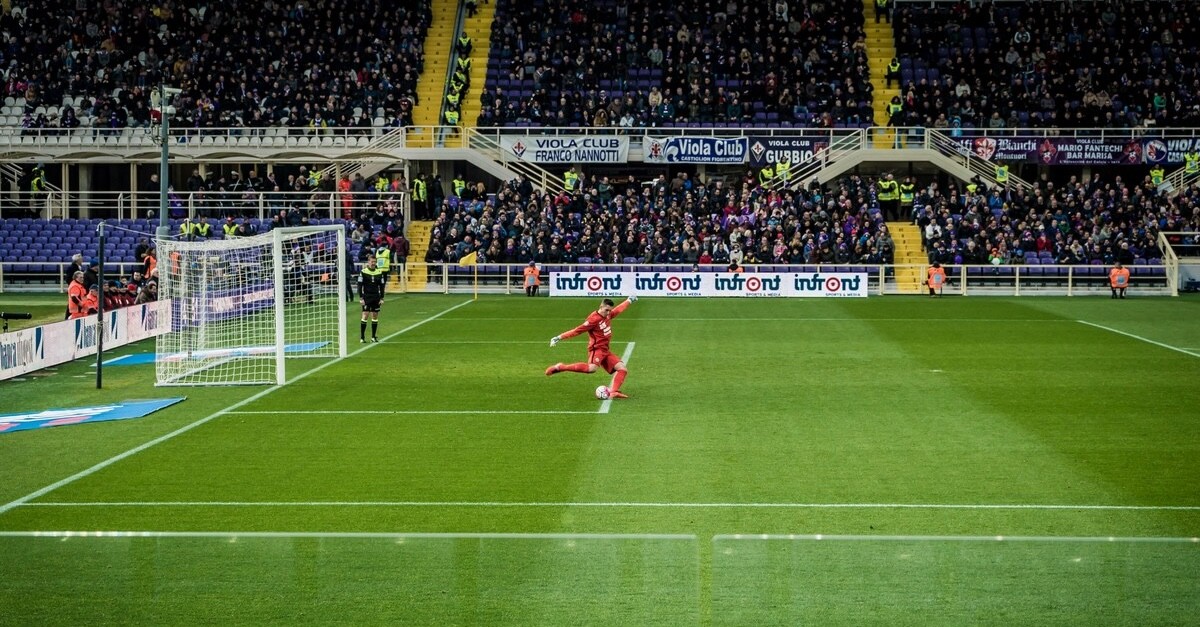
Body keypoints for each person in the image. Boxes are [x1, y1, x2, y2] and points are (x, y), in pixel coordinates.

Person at [546, 296, 638, 399]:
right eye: (606, 310)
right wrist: (559, 337)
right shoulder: (593, 319)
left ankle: (613, 392)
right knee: (592, 368)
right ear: (601, 307)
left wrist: (629, 300)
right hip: (597, 349)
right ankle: (561, 367)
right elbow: (577, 330)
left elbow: (617, 310)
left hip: (605, 350)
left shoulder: (607, 315)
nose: (608, 313)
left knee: (622, 369)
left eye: (609, 310)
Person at [358, 254, 386, 342]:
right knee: (365, 315)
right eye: (372, 261)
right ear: (368, 262)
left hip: (376, 297)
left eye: (374, 262)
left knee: (374, 316)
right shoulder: (363, 272)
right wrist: (361, 298)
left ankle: (373, 337)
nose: (373, 263)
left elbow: (382, 286)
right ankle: (362, 337)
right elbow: (359, 285)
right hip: (366, 297)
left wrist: (382, 298)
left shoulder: (379, 272)